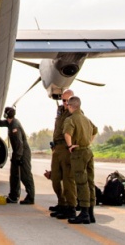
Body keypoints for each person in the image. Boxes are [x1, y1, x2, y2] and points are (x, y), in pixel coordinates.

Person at [0, 106, 35, 204]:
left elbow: (19, 144)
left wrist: (18, 158)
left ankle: (30, 197)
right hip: (17, 152)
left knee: (25, 175)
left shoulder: (14, 126)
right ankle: (13, 196)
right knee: (14, 175)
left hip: (22, 153)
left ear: (6, 114)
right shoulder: (10, 122)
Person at [63, 95, 98, 224]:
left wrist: (70, 146)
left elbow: (67, 133)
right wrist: (88, 142)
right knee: (90, 182)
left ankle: (84, 213)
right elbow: (95, 130)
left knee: (81, 183)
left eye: (68, 105)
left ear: (71, 106)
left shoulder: (71, 119)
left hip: (79, 153)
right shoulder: (86, 119)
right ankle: (91, 213)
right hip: (88, 151)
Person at [48, 90, 76, 219]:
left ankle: (70, 207)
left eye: (67, 100)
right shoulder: (60, 111)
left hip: (66, 148)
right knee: (55, 178)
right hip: (57, 148)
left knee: (67, 180)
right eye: (63, 100)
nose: (65, 103)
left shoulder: (74, 113)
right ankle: (61, 202)